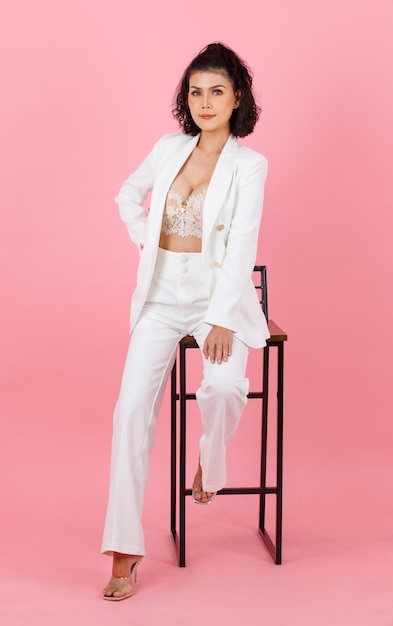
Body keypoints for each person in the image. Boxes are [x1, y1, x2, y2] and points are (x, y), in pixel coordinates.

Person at [102, 42, 269, 601]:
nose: (205, 101)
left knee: (222, 387)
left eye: (216, 91)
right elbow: (128, 197)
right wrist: (146, 241)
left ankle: (211, 465)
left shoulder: (250, 165)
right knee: (130, 412)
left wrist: (223, 316)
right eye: (196, 91)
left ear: (236, 97)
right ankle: (123, 548)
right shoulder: (168, 148)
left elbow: (242, 243)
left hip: (213, 295)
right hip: (159, 295)